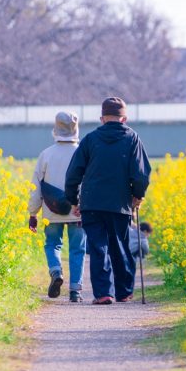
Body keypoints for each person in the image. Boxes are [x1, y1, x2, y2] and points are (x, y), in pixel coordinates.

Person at [65, 97, 151, 305]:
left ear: (102, 118)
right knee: (119, 246)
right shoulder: (132, 138)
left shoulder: (90, 139)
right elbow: (140, 174)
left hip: (92, 203)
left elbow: (73, 173)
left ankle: (104, 293)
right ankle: (124, 291)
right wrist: (137, 195)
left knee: (98, 247)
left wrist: (74, 200)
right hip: (119, 204)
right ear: (124, 118)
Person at [28, 111, 87, 303]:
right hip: (77, 211)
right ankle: (75, 291)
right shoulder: (83, 153)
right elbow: (88, 183)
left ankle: (55, 271)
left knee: (52, 243)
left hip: (51, 210)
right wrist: (84, 205)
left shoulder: (46, 154)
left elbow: (36, 186)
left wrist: (33, 212)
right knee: (77, 249)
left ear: (56, 128)